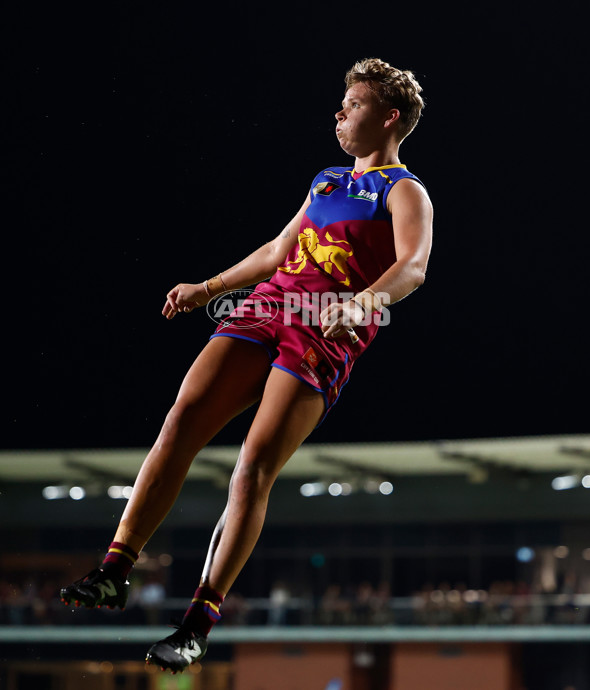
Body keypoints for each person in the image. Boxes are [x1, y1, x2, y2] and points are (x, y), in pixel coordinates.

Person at [60, 57, 434, 672]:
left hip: (324, 326)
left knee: (253, 466)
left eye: (355, 104)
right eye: (342, 103)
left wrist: (366, 301)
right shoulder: (326, 182)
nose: (340, 113)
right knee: (181, 421)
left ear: (390, 117)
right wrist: (205, 288)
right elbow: (276, 251)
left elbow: (413, 265)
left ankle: (197, 622)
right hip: (267, 306)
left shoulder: (404, 190)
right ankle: (114, 568)